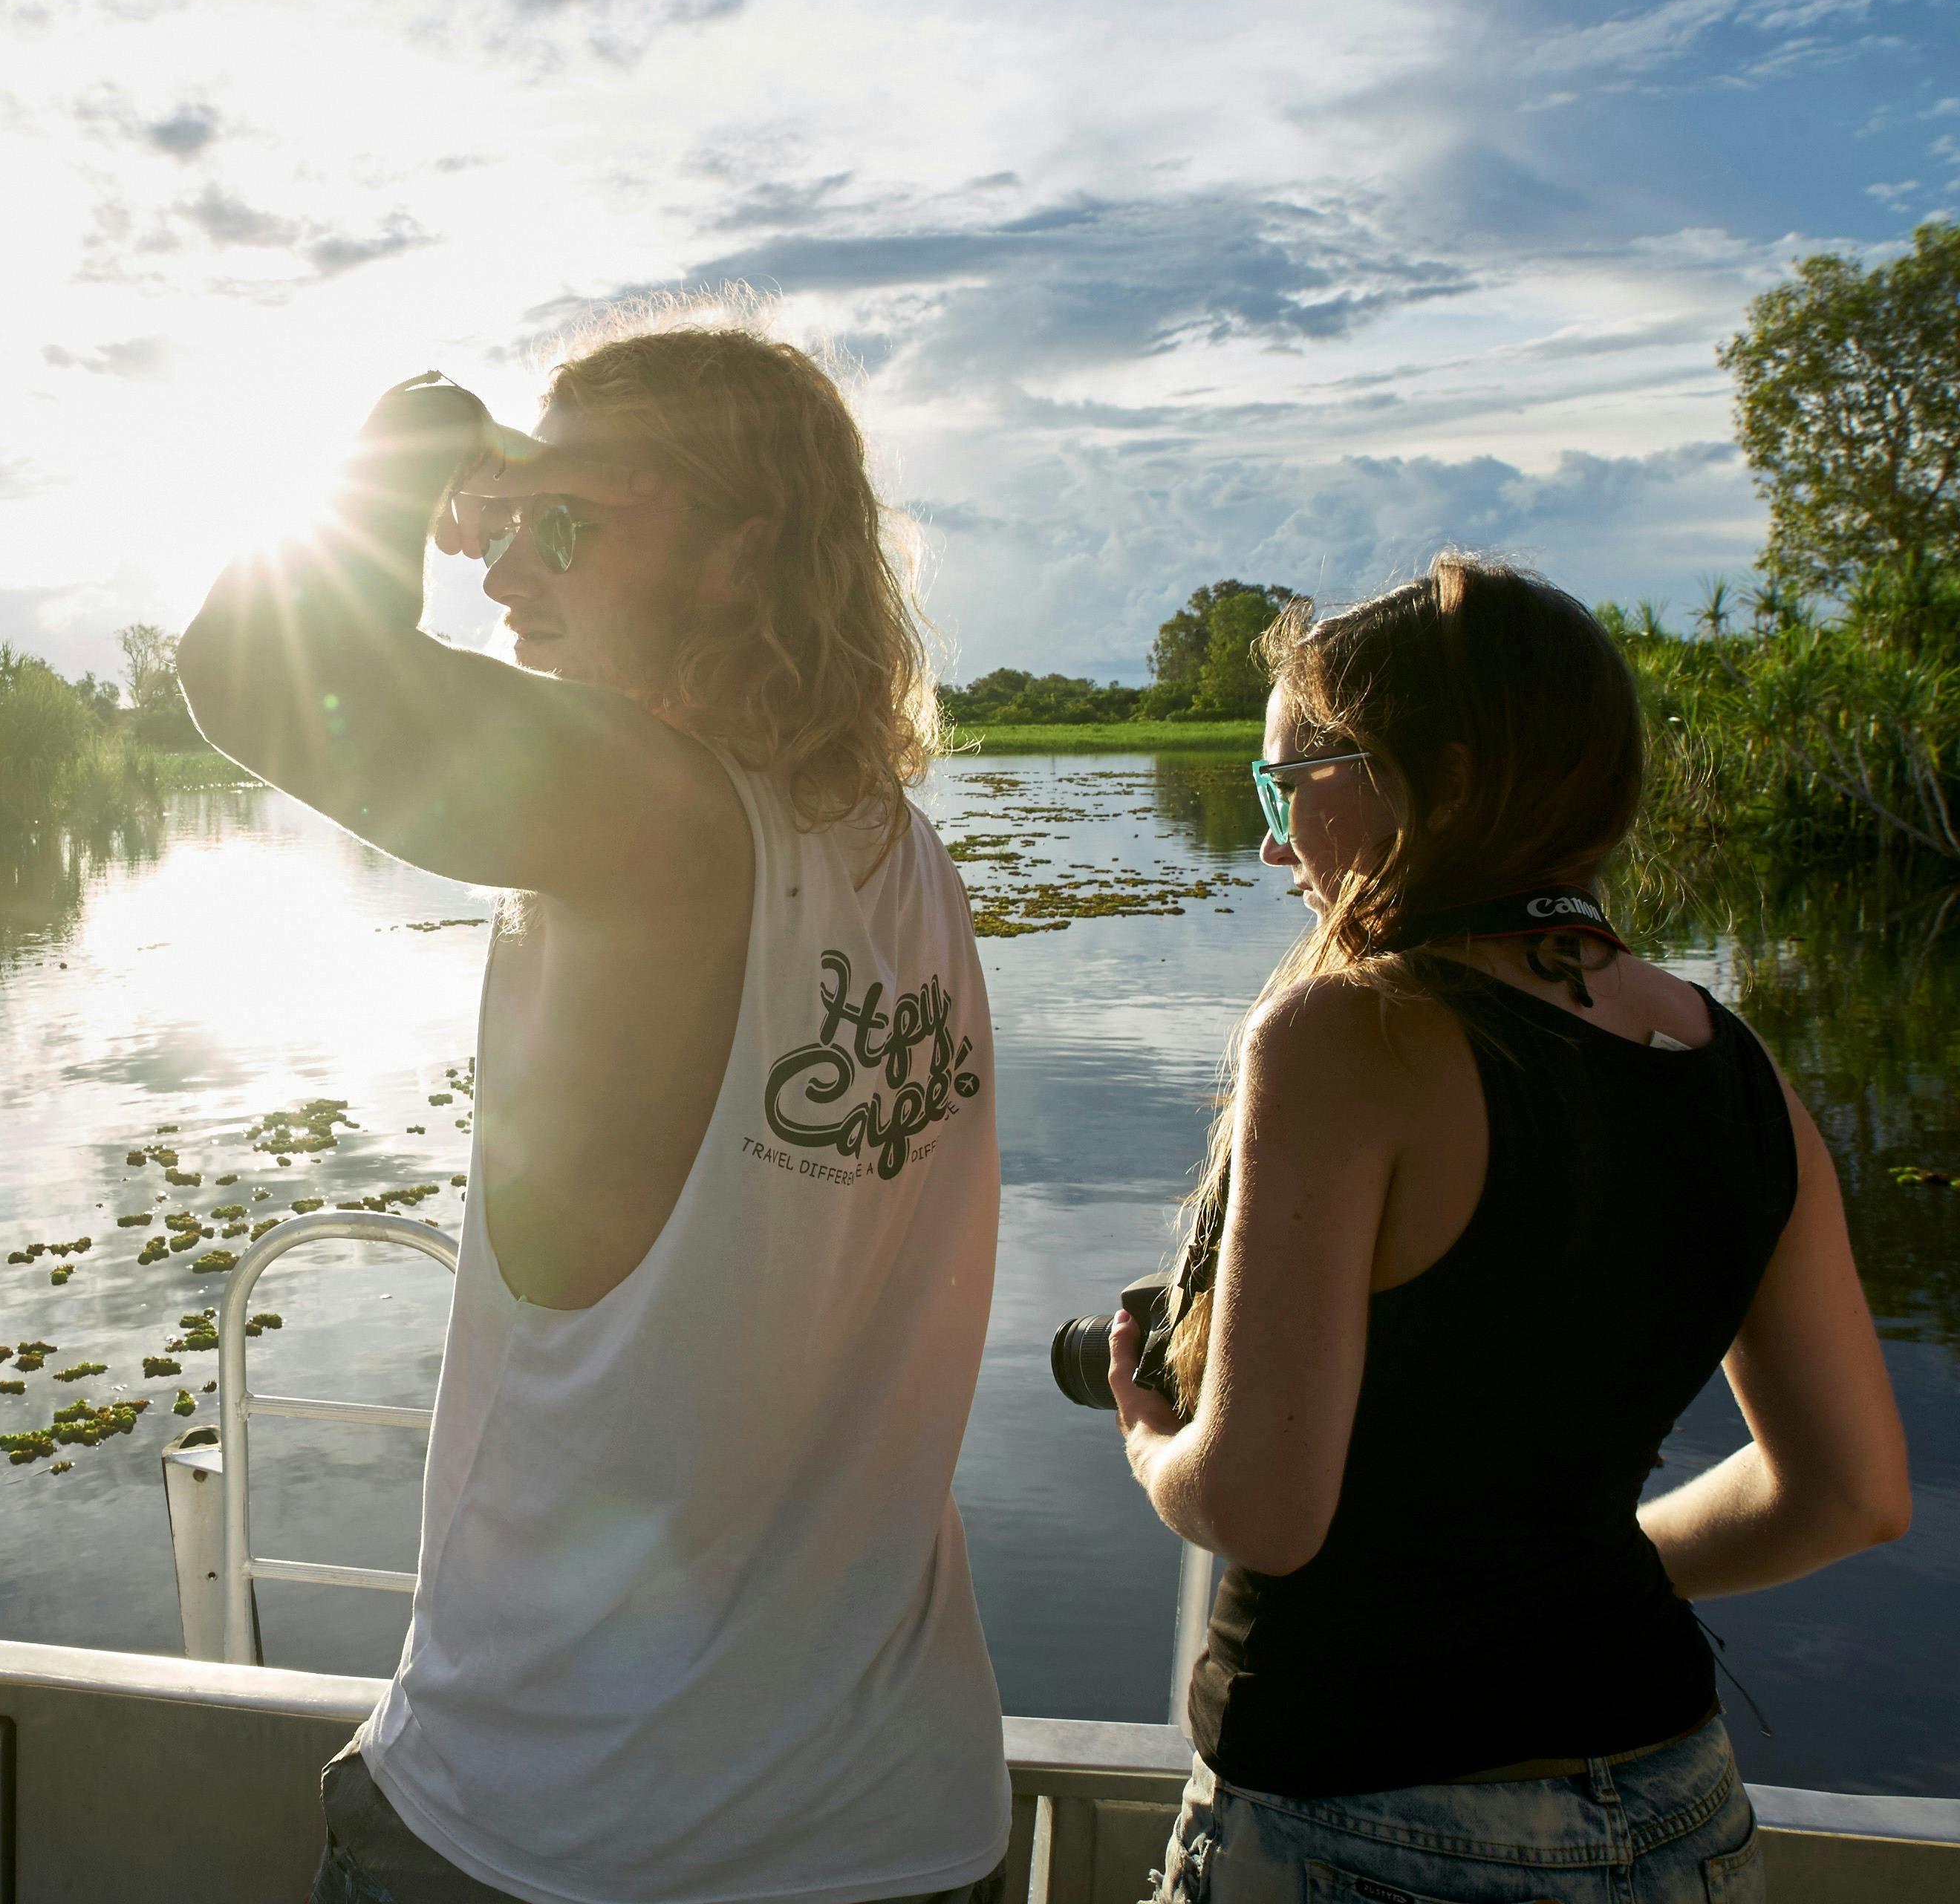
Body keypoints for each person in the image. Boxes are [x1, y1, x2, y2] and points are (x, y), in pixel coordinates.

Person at [180, 321, 1013, 1904]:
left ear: (736, 551)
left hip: (569, 1832)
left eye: (562, 522)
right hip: (902, 1822)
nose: (501, 572)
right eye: (501, 524)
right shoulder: (895, 856)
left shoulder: (655, 816)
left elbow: (250, 670)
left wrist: (414, 436)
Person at [1110, 555, 1912, 1904]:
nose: (1268, 841)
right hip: (1683, 1818)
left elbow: (1260, 1507)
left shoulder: (1346, 1030)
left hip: (1366, 1826)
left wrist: (1148, 1439)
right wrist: (1573, 1572)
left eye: (1288, 787)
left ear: (1451, 777)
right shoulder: (1733, 1063)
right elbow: (1852, 1493)